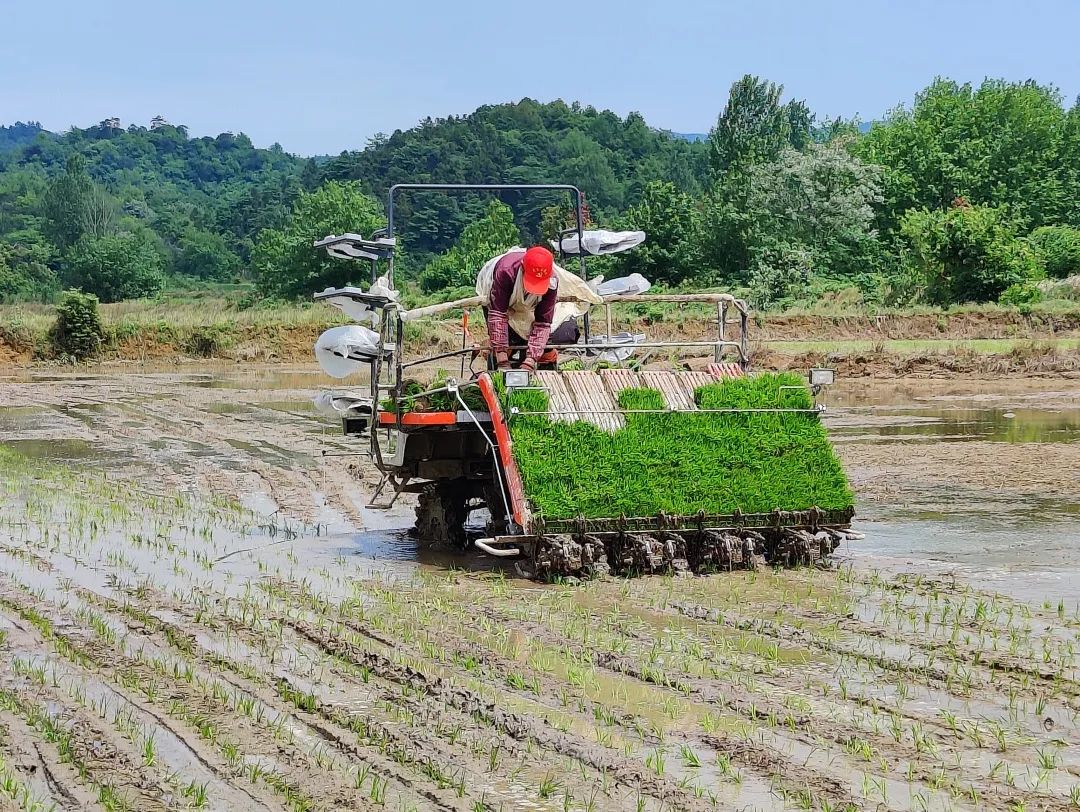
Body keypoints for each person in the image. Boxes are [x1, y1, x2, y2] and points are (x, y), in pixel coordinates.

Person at [479, 245, 574, 371]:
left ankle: (528, 362)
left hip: (530, 307)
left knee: (540, 343)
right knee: (506, 343)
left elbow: (543, 323)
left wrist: (530, 360)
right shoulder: (505, 272)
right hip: (497, 296)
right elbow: (498, 314)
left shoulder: (552, 281)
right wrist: (502, 360)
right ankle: (499, 362)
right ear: (523, 267)